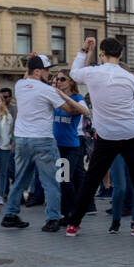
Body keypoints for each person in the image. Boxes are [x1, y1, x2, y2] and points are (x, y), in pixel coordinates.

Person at [64, 37, 134, 238]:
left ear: (101, 54)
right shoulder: (130, 78)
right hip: (131, 133)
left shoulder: (93, 73)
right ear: (121, 54)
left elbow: (74, 73)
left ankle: (74, 224)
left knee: (92, 179)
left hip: (106, 135)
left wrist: (84, 50)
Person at [1, 54, 89, 232]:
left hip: (22, 140)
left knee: (20, 180)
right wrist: (76, 104)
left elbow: (26, 77)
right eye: (47, 70)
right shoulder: (47, 90)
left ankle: (10, 214)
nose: (50, 74)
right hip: (43, 140)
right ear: (38, 71)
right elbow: (70, 110)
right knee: (52, 181)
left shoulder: (20, 85)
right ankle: (52, 219)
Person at [51, 69, 86, 222]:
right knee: (62, 180)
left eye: (62, 79)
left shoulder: (77, 97)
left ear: (71, 82)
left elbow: (85, 111)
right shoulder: (54, 97)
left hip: (71, 146)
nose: (59, 82)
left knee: (65, 179)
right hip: (56, 145)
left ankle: (73, 213)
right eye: (57, 79)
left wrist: (63, 96)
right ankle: (67, 213)